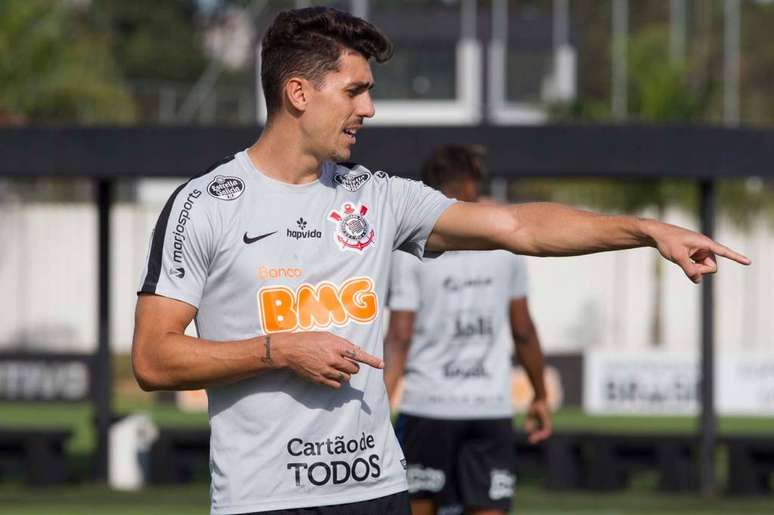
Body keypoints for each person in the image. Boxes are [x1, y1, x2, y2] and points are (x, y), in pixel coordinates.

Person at [131, 6, 749, 515]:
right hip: (261, 502)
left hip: (377, 493)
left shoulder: (377, 196)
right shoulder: (205, 205)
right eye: (355, 91)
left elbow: (519, 227)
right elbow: (154, 358)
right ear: (298, 92)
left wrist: (644, 229)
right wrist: (278, 349)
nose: (368, 109)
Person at [384, 145, 551, 515]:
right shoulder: (505, 239)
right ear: (471, 182)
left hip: (428, 408)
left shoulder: (411, 243)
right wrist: (539, 395)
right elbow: (522, 330)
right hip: (488, 409)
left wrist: (378, 409)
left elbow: (400, 336)